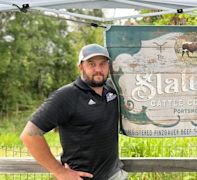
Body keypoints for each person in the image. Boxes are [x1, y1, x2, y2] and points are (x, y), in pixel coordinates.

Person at [20, 44, 128, 180]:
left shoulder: (113, 91)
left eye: (103, 64)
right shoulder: (67, 96)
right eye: (91, 64)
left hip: (115, 175)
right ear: (80, 67)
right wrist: (59, 172)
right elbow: (29, 135)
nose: (98, 69)